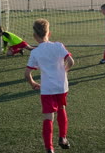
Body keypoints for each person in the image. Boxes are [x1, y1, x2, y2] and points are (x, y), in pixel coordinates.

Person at [25, 19, 74, 153]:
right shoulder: (58, 46)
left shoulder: (35, 52)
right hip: (61, 86)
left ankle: (49, 148)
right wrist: (64, 70)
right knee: (61, 108)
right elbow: (71, 61)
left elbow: (27, 73)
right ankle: (63, 138)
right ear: (49, 33)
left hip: (47, 89)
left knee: (48, 117)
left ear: (34, 36)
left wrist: (33, 83)